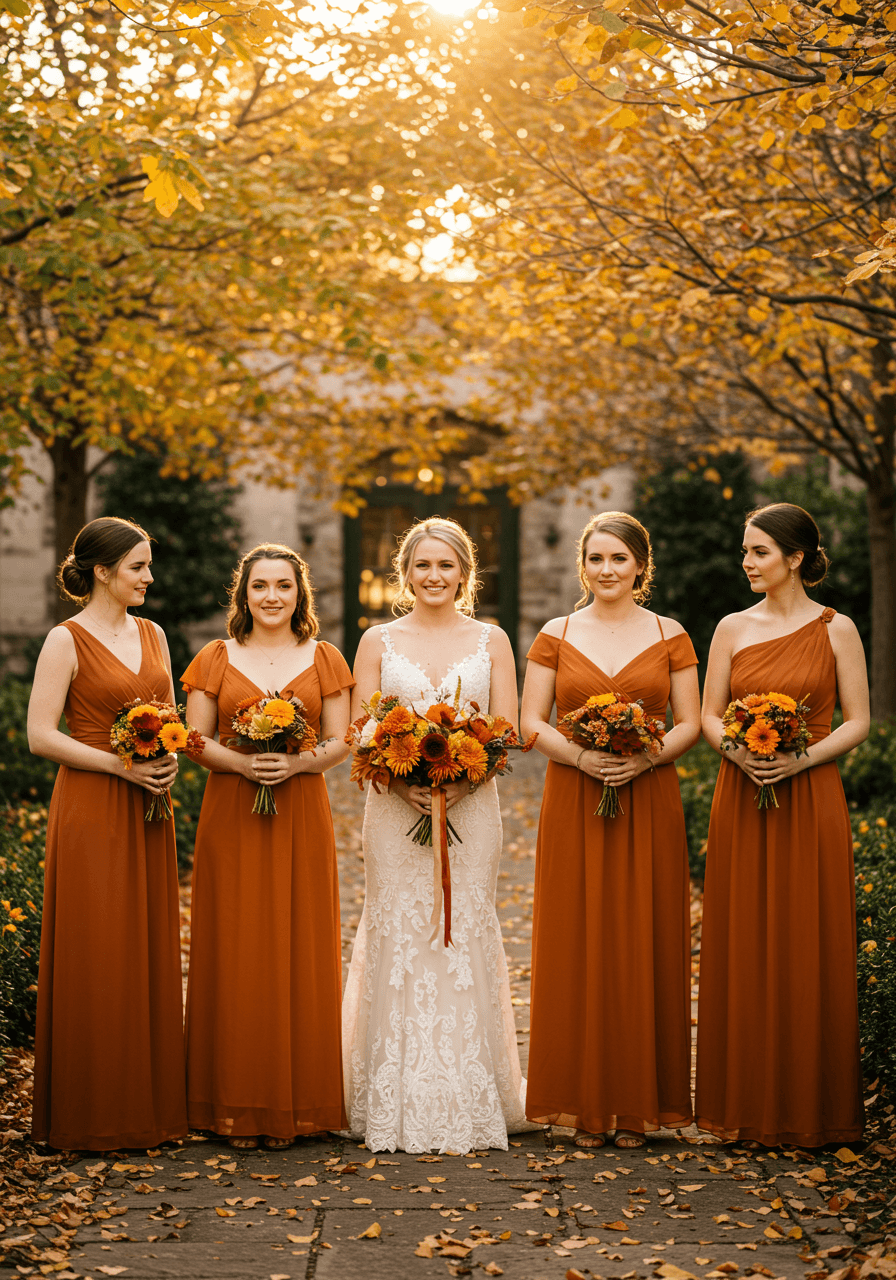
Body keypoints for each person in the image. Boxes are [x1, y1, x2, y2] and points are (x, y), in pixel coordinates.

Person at [341, 516, 532, 1153]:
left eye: (446, 566)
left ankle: (470, 1092)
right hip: (394, 810)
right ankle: (393, 1096)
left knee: (464, 925)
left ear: (464, 573)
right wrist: (405, 787)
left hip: (473, 809)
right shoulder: (376, 640)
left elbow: (506, 729)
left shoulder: (493, 639)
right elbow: (358, 732)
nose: (434, 577)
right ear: (405, 572)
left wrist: (463, 783)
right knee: (400, 924)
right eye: (422, 566)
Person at [521, 511, 701, 1149]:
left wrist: (647, 755)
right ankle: (580, 1100)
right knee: (578, 937)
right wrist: (581, 755)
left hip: (649, 796)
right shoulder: (556, 633)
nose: (606, 571)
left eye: (619, 560)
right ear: (582, 565)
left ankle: (637, 1102)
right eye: (596, 559)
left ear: (640, 568)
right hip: (574, 796)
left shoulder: (670, 633)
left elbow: (690, 722)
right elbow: (530, 722)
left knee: (642, 936)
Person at [696, 503, 869, 1147]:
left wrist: (799, 760)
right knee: (744, 936)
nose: (746, 562)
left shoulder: (837, 628)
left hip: (811, 794)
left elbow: (858, 721)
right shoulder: (730, 629)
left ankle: (809, 1107)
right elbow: (711, 714)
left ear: (795, 558)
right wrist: (735, 749)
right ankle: (740, 1102)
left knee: (805, 936)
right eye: (744, 551)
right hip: (741, 792)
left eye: (759, 551)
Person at [182, 543, 352, 1149]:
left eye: (283, 585)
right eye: (260, 587)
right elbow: (193, 741)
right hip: (233, 813)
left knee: (297, 943)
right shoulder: (216, 657)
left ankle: (294, 1103)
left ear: (299, 593)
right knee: (237, 945)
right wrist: (244, 765)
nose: (272, 597)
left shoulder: (325, 657)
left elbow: (342, 740)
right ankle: (232, 1099)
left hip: (301, 811)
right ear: (244, 594)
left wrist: (298, 764)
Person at [28, 517, 186, 1150]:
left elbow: (169, 714)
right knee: (97, 947)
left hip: (151, 807)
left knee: (145, 947)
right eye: (138, 567)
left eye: (149, 566)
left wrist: (169, 755)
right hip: (93, 805)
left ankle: (144, 1109)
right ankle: (89, 1113)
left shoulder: (154, 634)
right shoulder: (64, 640)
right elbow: (40, 735)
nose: (150, 577)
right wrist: (120, 765)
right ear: (102, 571)